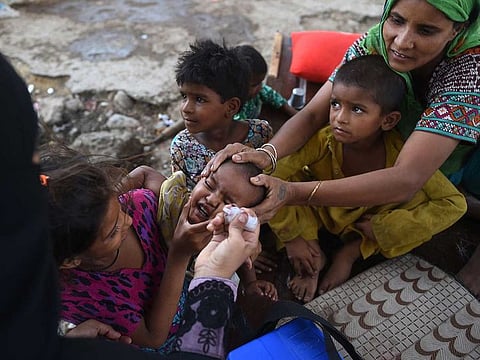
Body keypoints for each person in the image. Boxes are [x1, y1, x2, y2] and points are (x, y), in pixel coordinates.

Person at [204, 0, 480, 297]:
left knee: (449, 202)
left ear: (457, 30)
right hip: (387, 150)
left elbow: (407, 179)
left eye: (425, 30)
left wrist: (293, 194)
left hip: (441, 163)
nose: (402, 41)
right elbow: (311, 114)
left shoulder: (471, 71)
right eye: (396, 20)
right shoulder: (374, 44)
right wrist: (267, 153)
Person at [0, 50, 261, 360]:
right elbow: (153, 337)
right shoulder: (87, 295)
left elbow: (147, 185)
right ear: (70, 261)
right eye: (112, 231)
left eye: (119, 207)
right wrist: (185, 259)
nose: (126, 223)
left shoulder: (135, 207)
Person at [267, 55, 467, 302]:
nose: (340, 117)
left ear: (388, 120)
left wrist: (386, 228)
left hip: (366, 225)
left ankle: (349, 254)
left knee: (420, 204)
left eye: (357, 109)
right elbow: (273, 173)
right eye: (335, 104)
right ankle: (311, 255)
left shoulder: (402, 155)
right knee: (281, 182)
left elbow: (454, 204)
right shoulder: (324, 139)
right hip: (319, 212)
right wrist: (293, 237)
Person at [128, 160, 278, 301]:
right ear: (201, 178)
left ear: (240, 218)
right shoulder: (173, 199)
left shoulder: (227, 239)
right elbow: (145, 172)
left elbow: (241, 259)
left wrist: (250, 283)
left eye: (227, 202)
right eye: (209, 185)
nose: (211, 200)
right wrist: (111, 200)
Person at [170, 39, 273, 190]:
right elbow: (181, 196)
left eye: (199, 99)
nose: (186, 108)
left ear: (231, 107)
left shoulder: (260, 134)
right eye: (184, 96)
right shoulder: (181, 147)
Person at [233, 44, 298, 121]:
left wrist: (292, 111)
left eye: (261, 82)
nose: (260, 87)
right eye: (254, 85)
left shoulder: (257, 91)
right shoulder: (236, 110)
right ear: (237, 84)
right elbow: (243, 129)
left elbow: (271, 95)